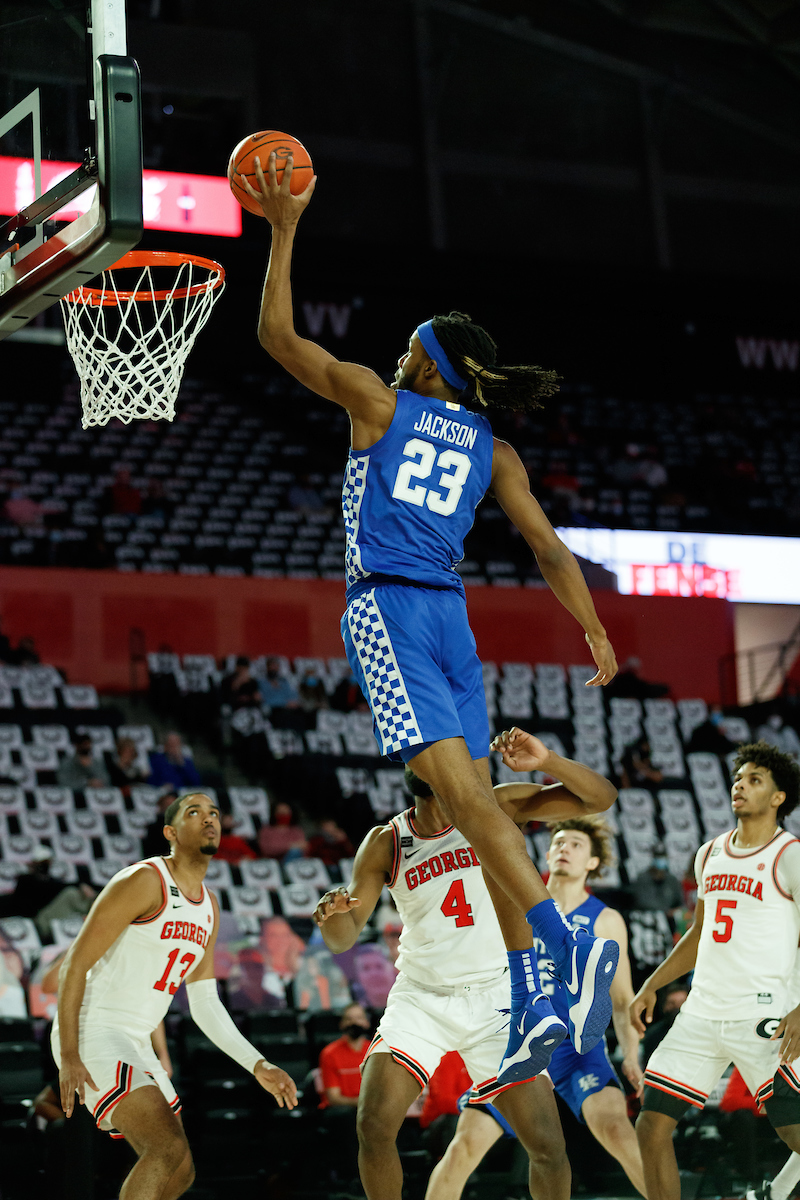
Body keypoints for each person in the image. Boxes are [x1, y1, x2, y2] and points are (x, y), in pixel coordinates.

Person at [245, 150, 620, 1090]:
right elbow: (551, 551)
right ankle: (537, 993)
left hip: (389, 606)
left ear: (426, 360)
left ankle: (561, 956)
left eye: (411, 344)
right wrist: (595, 630)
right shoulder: (494, 447)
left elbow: (278, 337)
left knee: (467, 806)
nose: (400, 352)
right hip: (454, 619)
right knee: (477, 809)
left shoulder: (380, 401)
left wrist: (284, 231)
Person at [314, 728, 617, 1200]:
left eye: (431, 744)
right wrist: (332, 917)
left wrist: (548, 761)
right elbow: (344, 937)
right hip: (423, 998)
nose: (419, 755)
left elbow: (600, 798)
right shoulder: (386, 841)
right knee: (373, 1125)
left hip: (500, 998)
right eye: (413, 751)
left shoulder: (496, 805)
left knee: (548, 1147)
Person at [52, 791, 297, 1200]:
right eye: (194, 812)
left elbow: (205, 1003)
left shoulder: (209, 906)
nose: (208, 818)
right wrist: (70, 1053)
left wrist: (257, 1064)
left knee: (181, 1170)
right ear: (170, 832)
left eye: (214, 812)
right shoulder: (144, 880)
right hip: (95, 1028)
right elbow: (73, 965)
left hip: (136, 1039)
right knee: (164, 1148)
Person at [429, 815, 647, 1200]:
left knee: (617, 1129)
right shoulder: (512, 898)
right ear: (546, 854)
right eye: (559, 842)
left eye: (576, 844)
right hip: (520, 1041)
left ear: (593, 862)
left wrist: (631, 1053)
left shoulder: (605, 918)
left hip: (575, 1049)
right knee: (464, 1146)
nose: (565, 849)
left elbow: (621, 998)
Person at [630, 741, 800, 1200]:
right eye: (738, 778)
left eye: (754, 780)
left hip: (762, 1013)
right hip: (701, 1013)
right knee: (651, 1124)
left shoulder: (790, 855)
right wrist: (653, 983)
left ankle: (779, 1192)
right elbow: (699, 933)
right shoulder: (709, 853)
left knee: (794, 1133)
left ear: (778, 797)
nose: (739, 786)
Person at [318, 1002, 371, 1108]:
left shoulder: (375, 1050)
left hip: (371, 1108)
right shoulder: (330, 1053)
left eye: (359, 1018)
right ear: (341, 1024)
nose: (354, 1023)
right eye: (349, 1019)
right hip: (343, 1110)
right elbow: (334, 1098)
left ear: (367, 1022)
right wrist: (366, 1103)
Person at [630, 846, 684, 916]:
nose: (661, 860)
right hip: (648, 917)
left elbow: (680, 902)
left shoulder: (672, 880)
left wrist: (674, 910)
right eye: (658, 857)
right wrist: (663, 911)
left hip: (669, 918)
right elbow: (641, 902)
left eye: (663, 857)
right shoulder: (642, 879)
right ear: (653, 858)